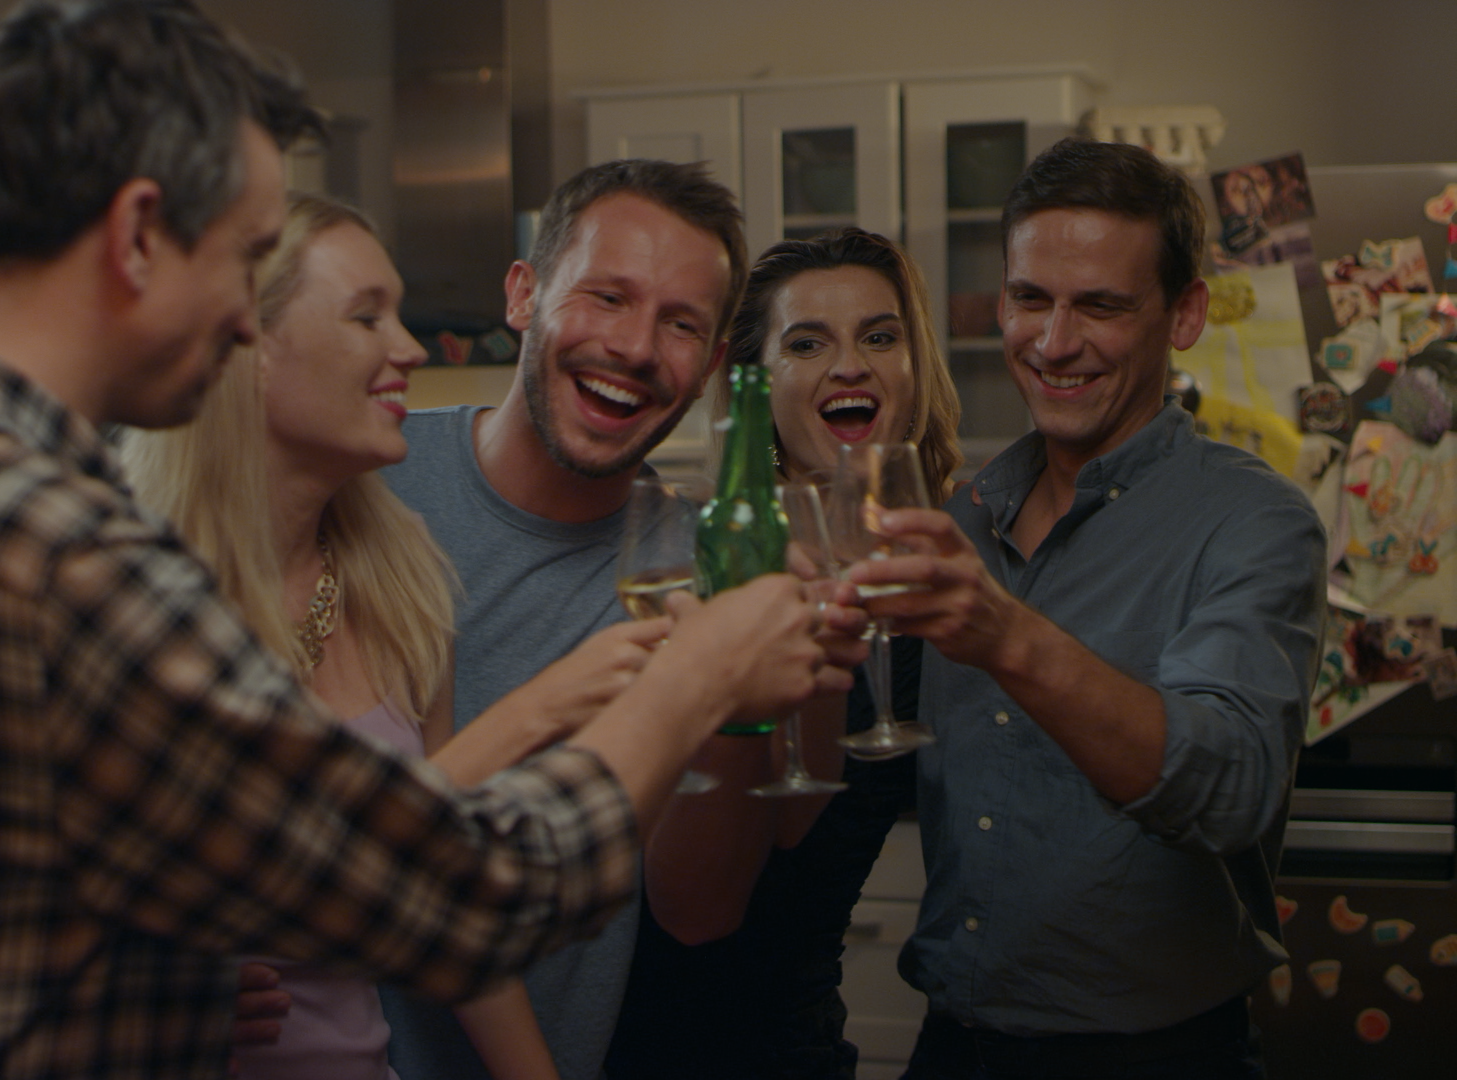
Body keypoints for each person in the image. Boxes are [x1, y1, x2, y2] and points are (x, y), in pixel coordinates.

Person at [0, 5, 842, 1077]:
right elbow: (450, 893)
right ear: (138, 235)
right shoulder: (42, 542)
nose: (246, 317)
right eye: (250, 257)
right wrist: (692, 681)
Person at [118, 192, 668, 1080]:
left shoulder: (397, 569)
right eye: (366, 316)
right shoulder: (125, 589)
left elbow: (440, 887)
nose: (410, 348)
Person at [379, 159, 868, 1080]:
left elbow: (699, 910)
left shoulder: (698, 567)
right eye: (607, 297)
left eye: (681, 324)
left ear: (712, 365)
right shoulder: (372, 486)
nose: (637, 348)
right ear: (524, 294)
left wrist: (740, 698)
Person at [853, 138, 1327, 1077]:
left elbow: (1231, 791)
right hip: (951, 1048)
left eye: (1101, 306)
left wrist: (1008, 636)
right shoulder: (962, 519)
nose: (1054, 342)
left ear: (1184, 314)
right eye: (1030, 298)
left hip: (1156, 1060)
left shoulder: (1254, 523)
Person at [609, 229, 963, 1080]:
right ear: (756, 384)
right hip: (635, 1050)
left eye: (880, 336)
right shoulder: (692, 558)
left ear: (914, 368)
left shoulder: (939, 593)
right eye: (807, 344)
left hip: (794, 1046)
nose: (850, 366)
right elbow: (693, 899)